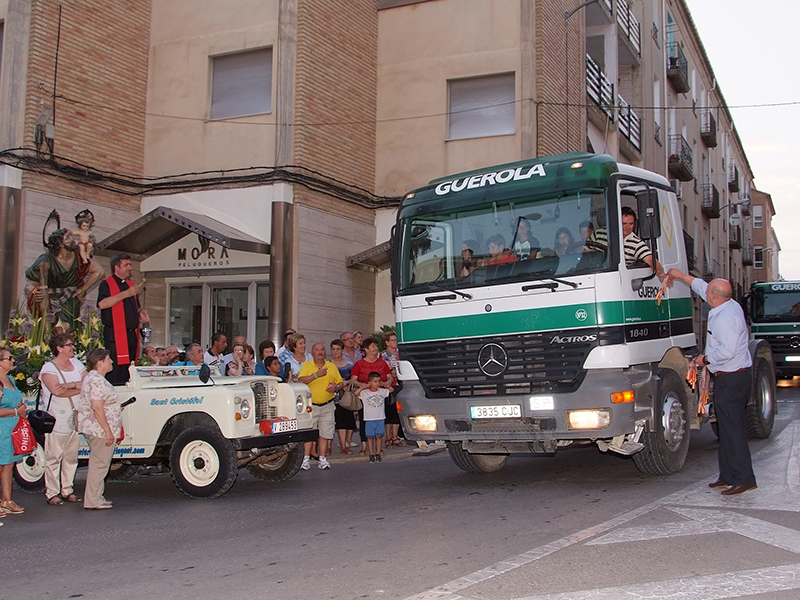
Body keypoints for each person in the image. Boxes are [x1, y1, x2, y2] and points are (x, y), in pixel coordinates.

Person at [667, 269, 757, 496]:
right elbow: (700, 285)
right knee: (725, 428)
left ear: (714, 297)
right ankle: (727, 476)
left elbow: (727, 351)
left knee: (733, 429)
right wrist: (679, 275)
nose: (705, 293)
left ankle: (744, 478)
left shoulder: (726, 319)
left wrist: (704, 360)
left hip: (732, 378)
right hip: (731, 377)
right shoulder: (728, 304)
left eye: (708, 292)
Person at [40, 333, 86, 505]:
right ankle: (52, 492)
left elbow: (88, 382)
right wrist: (77, 386)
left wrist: (69, 386)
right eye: (69, 345)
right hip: (57, 418)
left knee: (71, 456)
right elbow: (57, 391)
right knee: (54, 456)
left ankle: (67, 489)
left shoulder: (77, 363)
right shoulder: (49, 368)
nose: (73, 347)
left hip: (75, 416)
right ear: (59, 348)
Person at [25, 227, 104, 328]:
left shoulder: (79, 256)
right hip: (52, 302)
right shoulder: (46, 259)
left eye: (70, 236)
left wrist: (83, 289)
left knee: (71, 331)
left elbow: (100, 272)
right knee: (60, 328)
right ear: (61, 244)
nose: (72, 239)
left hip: (72, 301)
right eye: (67, 238)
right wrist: (33, 293)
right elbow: (30, 284)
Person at [78, 348, 123, 509]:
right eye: (108, 359)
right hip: (99, 429)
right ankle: (93, 500)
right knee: (100, 464)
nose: (111, 361)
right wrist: (107, 430)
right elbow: (96, 407)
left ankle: (97, 496)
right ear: (99, 362)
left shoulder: (92, 378)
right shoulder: (97, 380)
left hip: (96, 427)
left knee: (99, 464)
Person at [97, 253, 149, 385]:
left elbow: (134, 308)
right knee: (116, 371)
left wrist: (140, 314)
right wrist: (126, 294)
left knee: (129, 370)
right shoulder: (106, 284)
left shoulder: (129, 285)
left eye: (130, 265)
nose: (130, 268)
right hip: (115, 335)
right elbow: (102, 304)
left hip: (131, 335)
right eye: (126, 265)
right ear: (116, 267)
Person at [298, 343, 343, 471]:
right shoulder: (307, 365)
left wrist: (336, 387)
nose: (320, 352)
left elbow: (340, 382)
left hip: (327, 405)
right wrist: (316, 375)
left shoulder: (331, 366)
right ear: (312, 353)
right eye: (317, 350)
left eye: (322, 350)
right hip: (311, 406)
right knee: (309, 434)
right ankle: (305, 459)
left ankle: (322, 459)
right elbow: (301, 380)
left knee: (325, 433)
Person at [590, 207, 665, 278]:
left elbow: (651, 260)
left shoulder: (636, 243)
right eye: (624, 223)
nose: (627, 227)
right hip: (592, 274)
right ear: (616, 221)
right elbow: (585, 251)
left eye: (631, 224)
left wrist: (661, 274)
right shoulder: (598, 233)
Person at [350, 338, 394, 457]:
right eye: (373, 346)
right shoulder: (359, 364)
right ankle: (365, 445)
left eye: (376, 346)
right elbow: (353, 379)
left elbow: (389, 376)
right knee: (364, 420)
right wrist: (361, 385)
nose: (375, 348)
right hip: (365, 395)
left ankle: (378, 448)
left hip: (380, 394)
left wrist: (388, 382)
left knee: (380, 419)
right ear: (366, 349)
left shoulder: (381, 362)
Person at [0, 346, 27, 516]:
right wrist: (16, 411)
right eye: (8, 358)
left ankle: (7, 500)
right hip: (2, 428)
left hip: (13, 427)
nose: (12, 361)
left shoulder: (10, 379)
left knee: (9, 464)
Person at [355, 372, 391, 463]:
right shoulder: (365, 393)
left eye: (378, 381)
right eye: (375, 381)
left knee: (379, 436)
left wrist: (385, 385)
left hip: (380, 417)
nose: (377, 384)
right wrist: (363, 387)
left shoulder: (382, 391)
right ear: (370, 382)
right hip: (369, 418)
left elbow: (391, 390)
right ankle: (371, 453)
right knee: (370, 437)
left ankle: (378, 453)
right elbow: (356, 393)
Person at [330, 338, 357, 454]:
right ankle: (328, 446)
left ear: (342, 350)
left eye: (338, 349)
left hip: (345, 397)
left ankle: (343, 445)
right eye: (333, 349)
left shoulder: (349, 364)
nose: (335, 351)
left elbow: (354, 378)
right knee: (330, 422)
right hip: (331, 397)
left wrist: (346, 383)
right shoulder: (328, 364)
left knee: (344, 422)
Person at [381, 331, 404, 447]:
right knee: (389, 410)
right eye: (393, 340)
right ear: (387, 342)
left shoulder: (401, 353)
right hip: (390, 385)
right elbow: (389, 370)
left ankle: (395, 436)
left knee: (397, 411)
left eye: (396, 340)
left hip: (401, 385)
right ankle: (388, 437)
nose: (396, 342)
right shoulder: (384, 355)